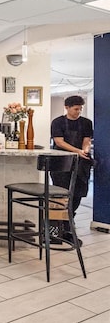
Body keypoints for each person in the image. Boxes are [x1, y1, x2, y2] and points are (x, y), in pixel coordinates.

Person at [50, 95, 93, 244]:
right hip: (60, 162)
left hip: (80, 162)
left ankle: (69, 221)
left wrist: (85, 150)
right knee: (61, 193)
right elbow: (59, 142)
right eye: (76, 109)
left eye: (80, 109)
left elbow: (87, 140)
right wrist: (77, 151)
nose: (78, 111)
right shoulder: (58, 122)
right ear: (67, 108)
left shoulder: (87, 123)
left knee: (78, 192)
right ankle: (58, 225)